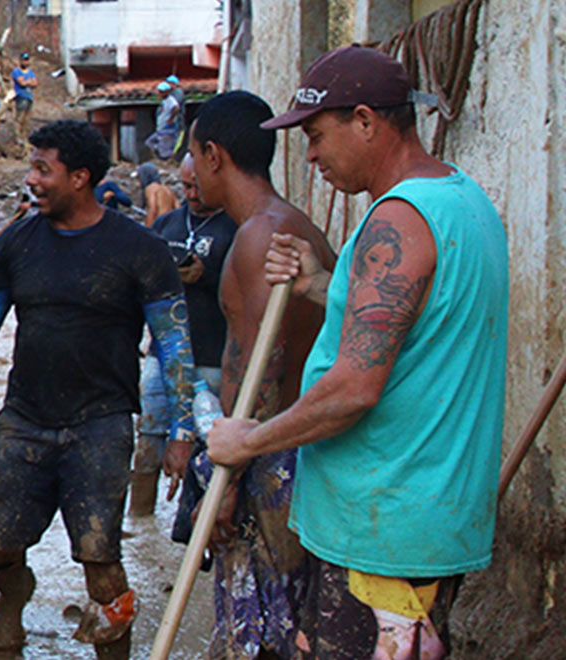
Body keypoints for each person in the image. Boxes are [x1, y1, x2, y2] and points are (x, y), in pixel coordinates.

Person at [209, 46, 506, 659]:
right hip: (422, 518)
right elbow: (416, 321)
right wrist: (323, 283)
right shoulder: (462, 200)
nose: (311, 155)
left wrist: (249, 441)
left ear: (367, 121)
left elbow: (353, 389)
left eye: (317, 136)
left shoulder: (397, 220)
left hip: (382, 530)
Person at [0, 120, 203, 660]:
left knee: (100, 560)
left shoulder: (139, 249)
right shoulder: (17, 241)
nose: (31, 179)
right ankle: (13, 601)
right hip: (25, 418)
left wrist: (182, 429)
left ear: (80, 177)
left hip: (100, 425)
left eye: (42, 169)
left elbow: (174, 345)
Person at [180, 89, 336, 660]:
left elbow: (257, 378)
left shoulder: (258, 237)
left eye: (193, 155)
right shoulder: (297, 226)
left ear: (215, 155)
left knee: (267, 634)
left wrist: (228, 484)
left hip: (272, 462)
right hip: (299, 454)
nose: (191, 171)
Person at [130, 153, 235, 521]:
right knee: (149, 437)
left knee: (209, 445)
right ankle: (139, 523)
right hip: (161, 355)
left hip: (212, 357)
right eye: (186, 185)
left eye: (197, 185)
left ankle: (201, 522)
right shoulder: (167, 226)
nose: (191, 193)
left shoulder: (237, 228)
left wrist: (207, 277)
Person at [147, 81, 183, 162]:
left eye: (161, 92)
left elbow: (176, 108)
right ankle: (160, 160)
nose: (159, 93)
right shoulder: (164, 101)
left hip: (167, 128)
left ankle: (167, 161)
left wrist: (170, 119)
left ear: (167, 92)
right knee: (150, 143)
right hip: (161, 127)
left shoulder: (171, 100)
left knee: (165, 149)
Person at [11, 53, 38, 141]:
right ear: (20, 61)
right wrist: (29, 82)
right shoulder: (16, 71)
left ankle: (24, 136)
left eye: (27, 60)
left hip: (29, 96)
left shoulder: (30, 72)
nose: (26, 62)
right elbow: (21, 83)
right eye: (24, 60)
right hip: (21, 96)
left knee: (27, 118)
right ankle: (18, 137)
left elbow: (35, 84)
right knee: (20, 117)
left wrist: (27, 82)